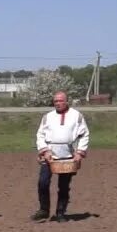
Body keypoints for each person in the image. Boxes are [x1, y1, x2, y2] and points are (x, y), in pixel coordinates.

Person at [33, 91, 90, 222]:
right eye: (55, 101)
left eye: (60, 101)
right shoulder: (47, 117)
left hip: (68, 155)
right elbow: (40, 134)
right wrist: (44, 151)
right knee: (43, 182)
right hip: (50, 155)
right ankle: (43, 209)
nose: (58, 104)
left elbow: (84, 134)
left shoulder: (77, 116)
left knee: (64, 186)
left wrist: (80, 152)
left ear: (66, 101)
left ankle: (60, 212)